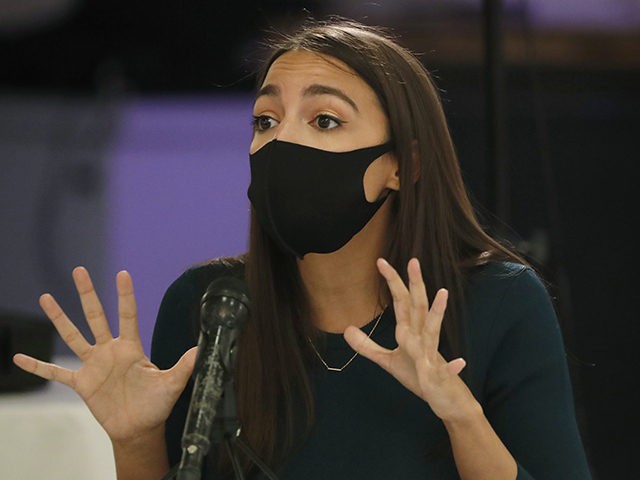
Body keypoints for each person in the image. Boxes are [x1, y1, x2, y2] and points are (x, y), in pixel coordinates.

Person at [13, 17, 592, 480]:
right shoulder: (210, 305)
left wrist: (460, 414)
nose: (282, 139)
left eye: (324, 119)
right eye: (266, 120)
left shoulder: (497, 303)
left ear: (402, 166)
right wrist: (134, 440)